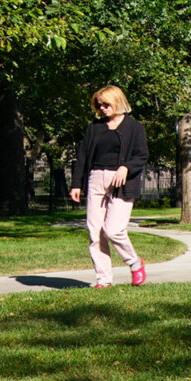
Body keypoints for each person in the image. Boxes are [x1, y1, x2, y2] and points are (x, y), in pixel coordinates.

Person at [70, 84, 150, 289]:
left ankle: (134, 262)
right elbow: (82, 157)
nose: (103, 108)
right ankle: (103, 279)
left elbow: (141, 155)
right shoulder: (94, 128)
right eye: (99, 105)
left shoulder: (134, 127)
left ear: (117, 101)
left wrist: (126, 167)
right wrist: (76, 184)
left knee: (113, 230)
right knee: (95, 232)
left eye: (106, 104)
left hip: (122, 181)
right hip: (96, 178)